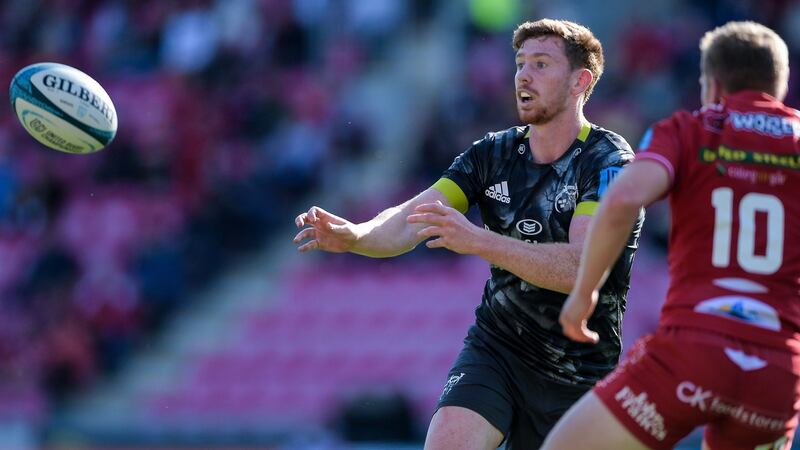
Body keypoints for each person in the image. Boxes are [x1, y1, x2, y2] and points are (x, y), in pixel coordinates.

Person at [294, 19, 643, 449]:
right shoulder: (492, 153)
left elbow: (581, 268)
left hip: (579, 370)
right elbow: (412, 217)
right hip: (497, 351)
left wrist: (479, 241)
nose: (523, 76)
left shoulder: (610, 161)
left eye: (541, 64)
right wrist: (356, 235)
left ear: (579, 82)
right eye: (519, 64)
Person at [544, 21, 800, 450]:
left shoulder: (688, 129)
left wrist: (584, 291)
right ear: (781, 84)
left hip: (693, 354)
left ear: (712, 85)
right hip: (777, 375)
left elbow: (624, 199)